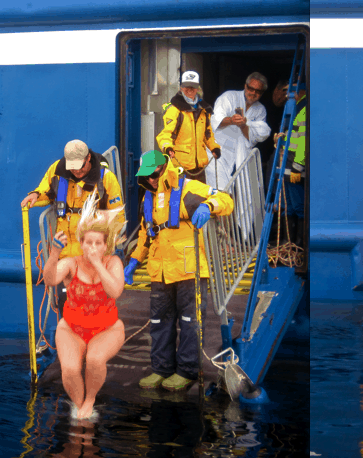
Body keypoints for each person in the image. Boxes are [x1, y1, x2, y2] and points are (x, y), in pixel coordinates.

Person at [123, 150, 234, 391]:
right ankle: (161, 369)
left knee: (190, 322)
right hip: (160, 270)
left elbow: (226, 200)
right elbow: (145, 233)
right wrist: (133, 261)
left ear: (163, 169)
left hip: (188, 269)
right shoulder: (147, 198)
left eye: (153, 175)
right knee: (159, 322)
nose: (151, 180)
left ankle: (187, 370)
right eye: (146, 176)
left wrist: (209, 206)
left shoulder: (188, 188)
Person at [43, 191, 126, 420]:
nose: (91, 247)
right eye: (88, 242)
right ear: (80, 243)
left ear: (105, 244)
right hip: (71, 328)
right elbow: (50, 279)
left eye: (97, 243)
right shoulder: (71, 263)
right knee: (69, 369)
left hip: (108, 328)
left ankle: (91, 399)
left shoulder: (113, 262)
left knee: (95, 359)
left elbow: (115, 291)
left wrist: (98, 264)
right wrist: (54, 253)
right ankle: (82, 410)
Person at [20, 140, 125, 312]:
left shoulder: (106, 178)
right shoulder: (57, 170)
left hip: (93, 258)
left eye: (80, 166)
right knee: (67, 307)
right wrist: (34, 195)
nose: (76, 170)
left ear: (88, 158)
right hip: (67, 256)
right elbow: (45, 191)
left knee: (94, 309)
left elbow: (118, 216)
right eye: (72, 167)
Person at [206, 72, 271, 191]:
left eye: (258, 91)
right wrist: (231, 120)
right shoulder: (229, 97)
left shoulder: (261, 110)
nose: (253, 93)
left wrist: (243, 126)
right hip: (219, 151)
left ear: (262, 93)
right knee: (220, 188)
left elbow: (257, 136)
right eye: (251, 88)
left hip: (241, 155)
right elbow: (215, 120)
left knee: (244, 192)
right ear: (245, 86)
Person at [156, 71, 220, 184]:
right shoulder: (174, 110)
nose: (189, 90)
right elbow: (166, 134)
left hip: (199, 168)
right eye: (186, 86)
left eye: (193, 87)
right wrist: (168, 148)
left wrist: (214, 147)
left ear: (197, 88)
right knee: (181, 200)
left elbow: (208, 134)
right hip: (180, 167)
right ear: (181, 87)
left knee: (201, 198)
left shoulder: (204, 110)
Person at [282, 83, 307, 247]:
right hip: (288, 166)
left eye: (290, 91)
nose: (288, 94)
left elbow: (304, 140)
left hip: (295, 168)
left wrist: (298, 167)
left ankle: (298, 245)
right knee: (289, 207)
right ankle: (288, 243)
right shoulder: (299, 106)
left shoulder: (304, 109)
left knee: (298, 207)